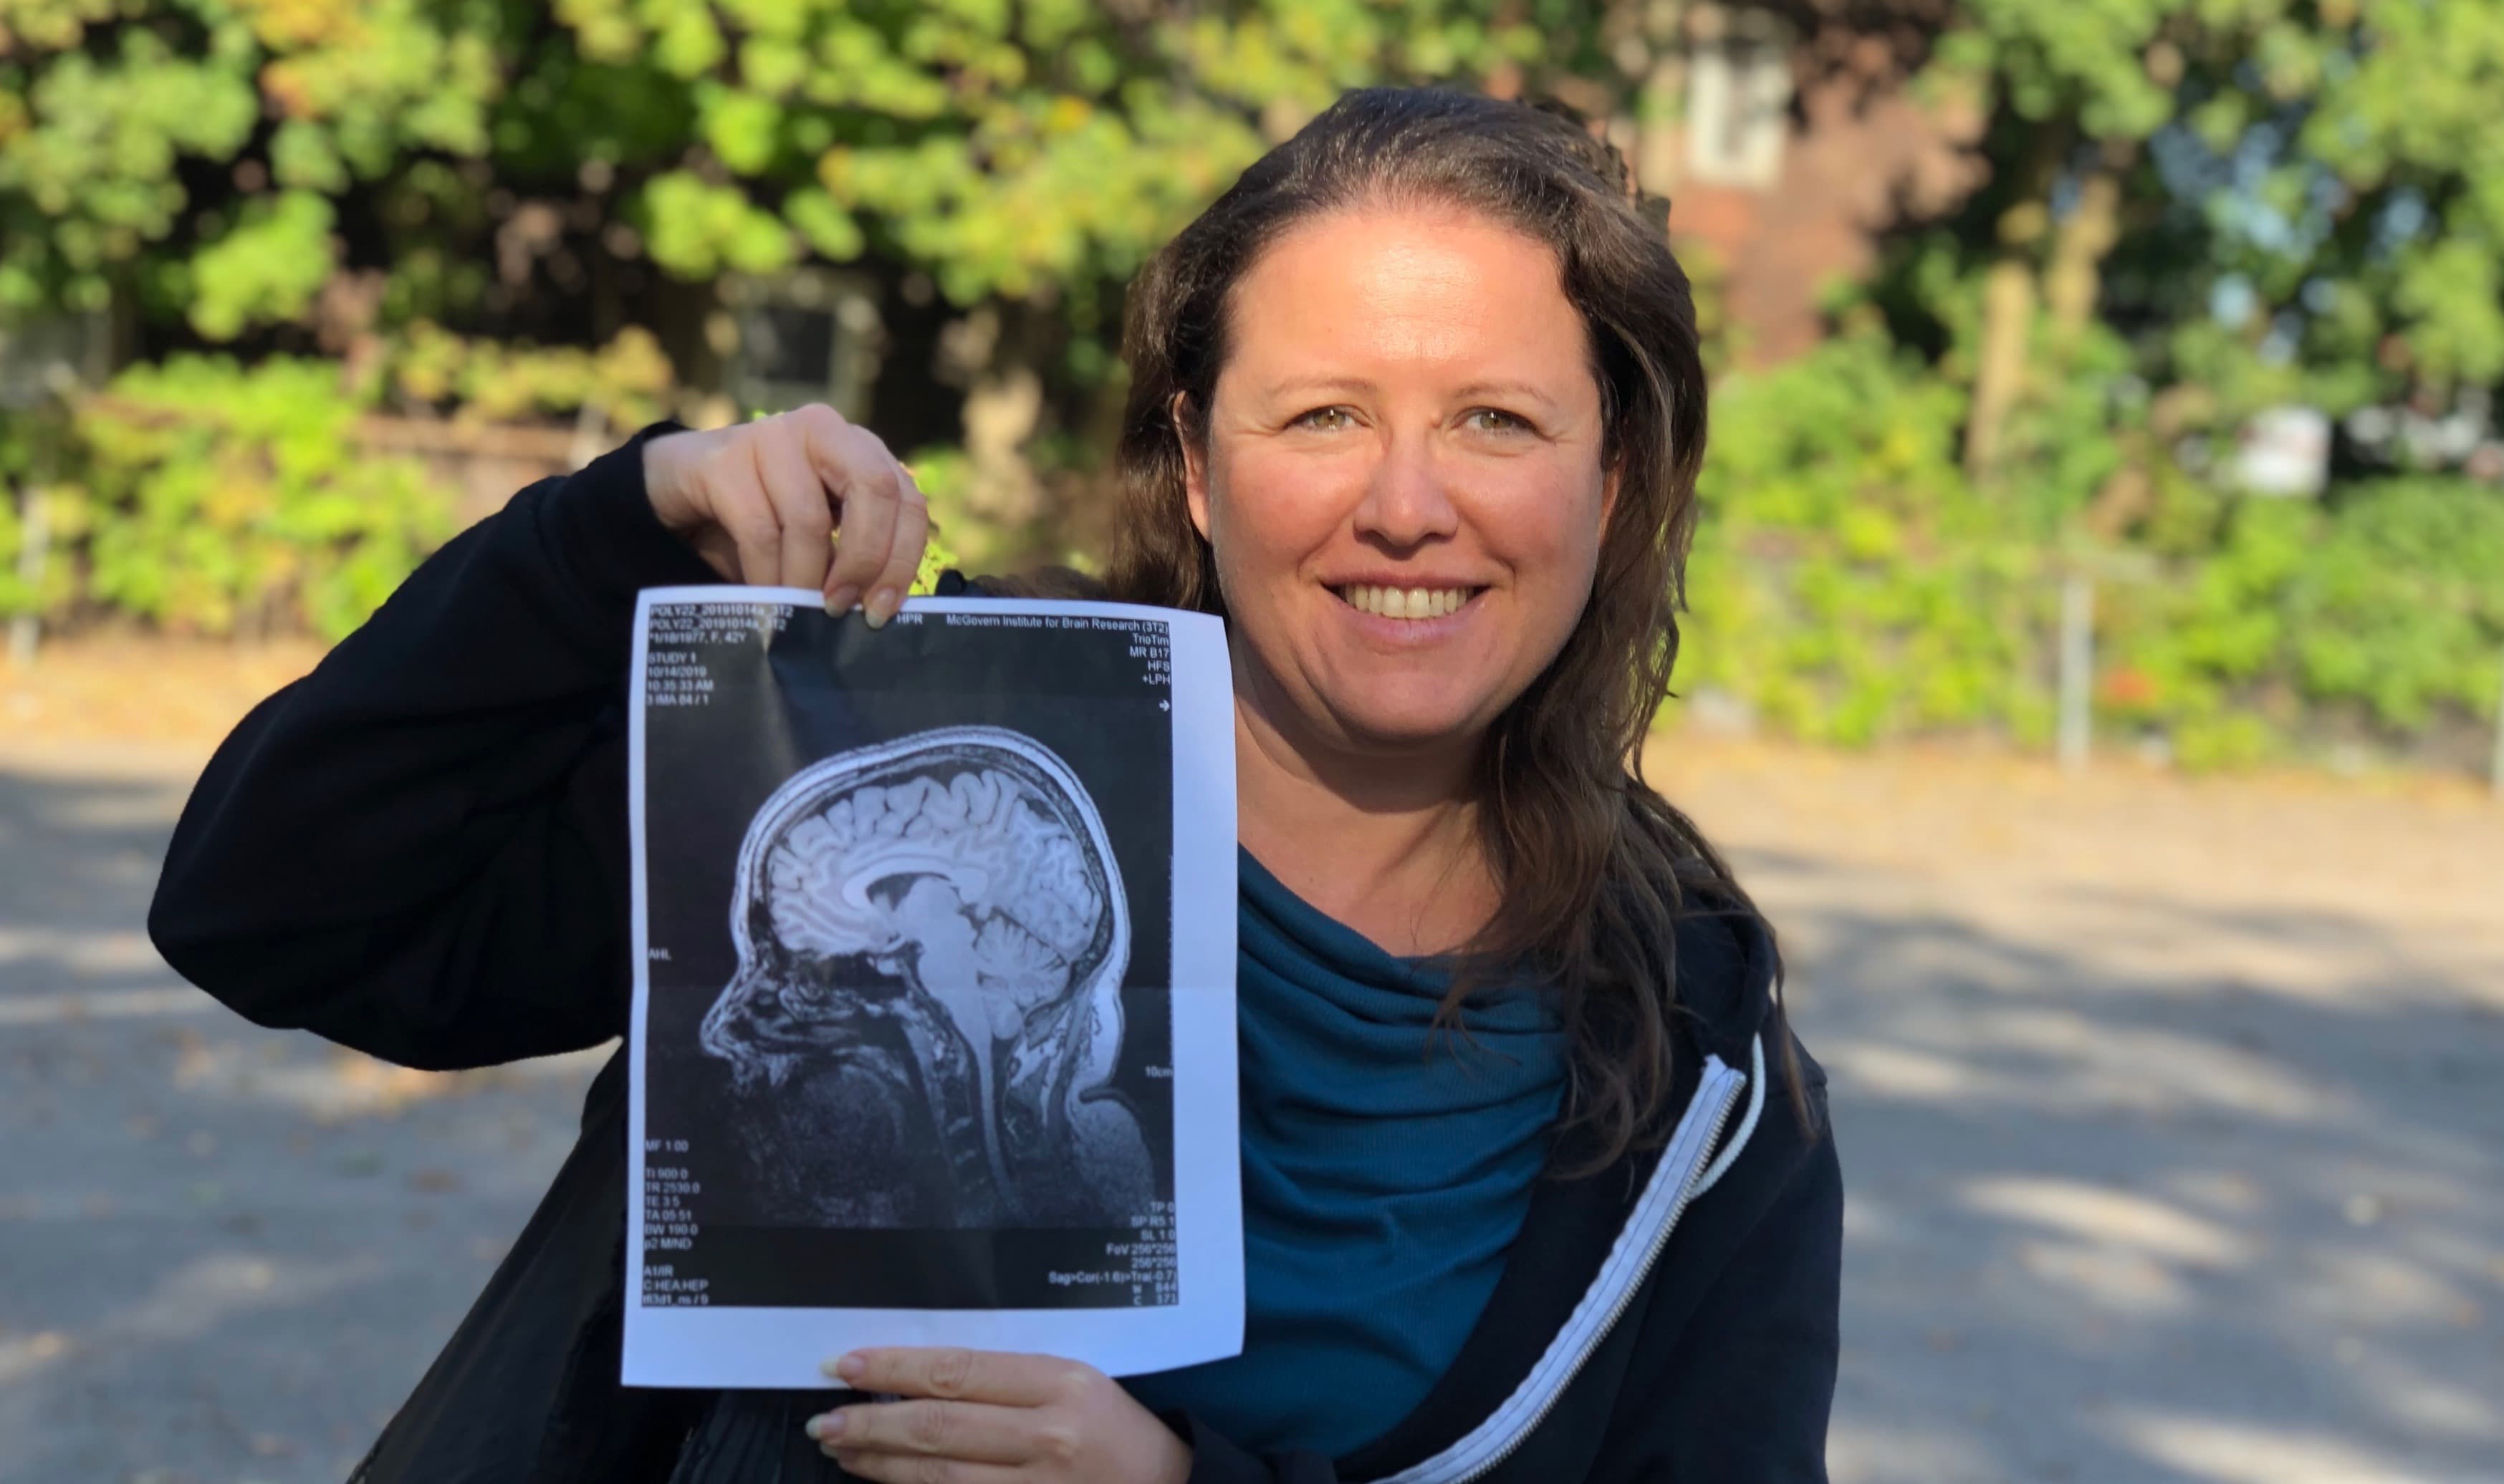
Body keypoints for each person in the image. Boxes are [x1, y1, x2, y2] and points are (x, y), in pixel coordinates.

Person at [148, 87, 1841, 1483]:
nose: (1405, 504)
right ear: (1192, 463)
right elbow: (273, 910)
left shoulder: (1697, 1053)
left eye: (1492, 420)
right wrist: (611, 534)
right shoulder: (887, 749)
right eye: (1321, 415)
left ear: (1611, 481)